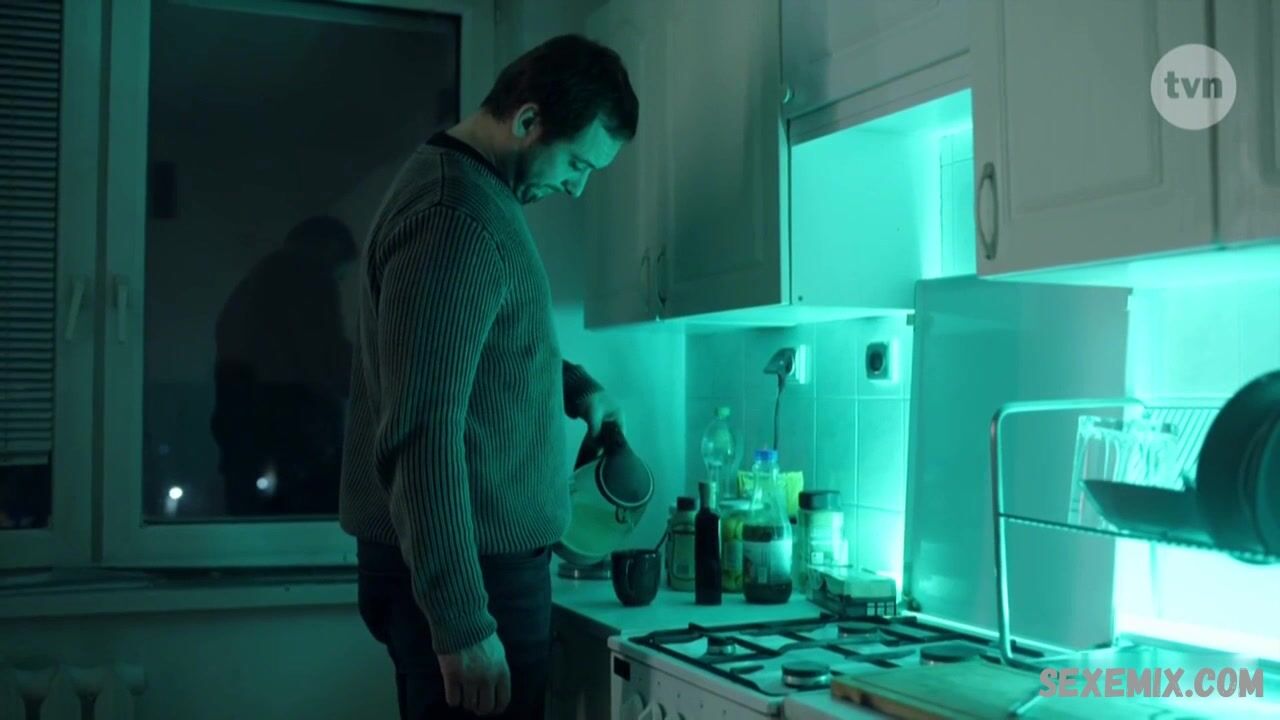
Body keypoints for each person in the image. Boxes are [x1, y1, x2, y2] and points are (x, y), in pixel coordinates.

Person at [339, 34, 638, 720]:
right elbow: (421, 429)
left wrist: (574, 386)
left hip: (477, 569)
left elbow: (471, 354)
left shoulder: (473, 199)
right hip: (472, 576)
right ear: (528, 119)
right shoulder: (454, 217)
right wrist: (461, 621)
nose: (577, 187)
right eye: (576, 162)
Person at [211, 215, 357, 516]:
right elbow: (322, 350)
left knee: (253, 508)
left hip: (244, 407)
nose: (340, 279)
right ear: (329, 248)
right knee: (311, 506)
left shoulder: (255, 281)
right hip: (292, 412)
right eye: (340, 270)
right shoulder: (308, 274)